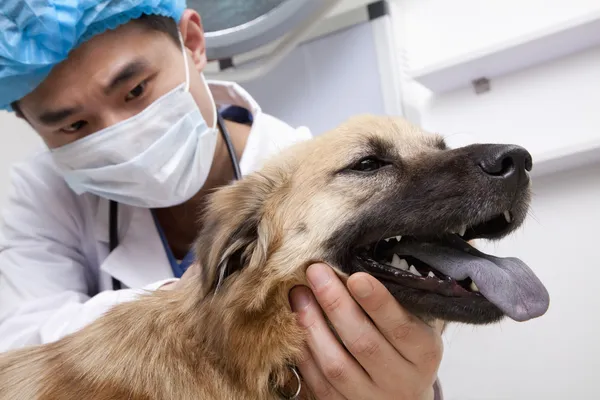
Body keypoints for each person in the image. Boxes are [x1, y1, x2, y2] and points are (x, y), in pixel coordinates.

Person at [0, 1, 444, 398]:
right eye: (73, 126)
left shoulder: (322, 185)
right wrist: (206, 302)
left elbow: (394, 345)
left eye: (136, 91)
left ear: (192, 43)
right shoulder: (43, 194)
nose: (116, 135)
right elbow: (23, 351)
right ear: (33, 127)